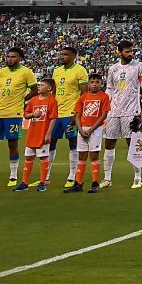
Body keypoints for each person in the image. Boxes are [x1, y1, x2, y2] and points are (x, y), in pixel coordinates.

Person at [103, 41, 142, 189]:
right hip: (113, 111)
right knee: (109, 143)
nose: (130, 54)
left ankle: (138, 177)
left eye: (131, 51)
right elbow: (110, 89)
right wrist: (105, 106)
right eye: (126, 52)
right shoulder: (113, 69)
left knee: (132, 144)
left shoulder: (139, 66)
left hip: (131, 110)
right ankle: (107, 178)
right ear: (119, 52)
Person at [0, 47, 36, 187]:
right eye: (8, 56)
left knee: (12, 143)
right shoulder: (1, 72)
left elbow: (35, 89)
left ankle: (13, 176)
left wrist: (23, 98)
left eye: (13, 57)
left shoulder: (26, 72)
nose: (9, 59)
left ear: (20, 58)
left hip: (14, 113)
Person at [50, 47, 89, 189]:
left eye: (66, 54)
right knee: (50, 142)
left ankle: (72, 176)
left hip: (70, 113)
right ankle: (45, 176)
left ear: (73, 56)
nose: (63, 57)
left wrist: (77, 113)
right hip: (56, 114)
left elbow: (84, 94)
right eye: (62, 54)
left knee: (73, 143)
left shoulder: (80, 70)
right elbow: (53, 92)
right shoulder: (57, 71)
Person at [15, 78, 59, 193]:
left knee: (43, 158)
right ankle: (24, 182)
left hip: (43, 133)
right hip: (32, 133)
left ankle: (43, 182)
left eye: (42, 85)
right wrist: (33, 114)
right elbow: (26, 114)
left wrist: (48, 134)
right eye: (39, 85)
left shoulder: (52, 101)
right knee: (28, 157)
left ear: (49, 88)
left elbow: (53, 119)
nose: (39, 87)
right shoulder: (33, 100)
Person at [68, 73, 110, 194]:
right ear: (88, 83)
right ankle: (78, 183)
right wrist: (80, 130)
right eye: (92, 82)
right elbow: (77, 114)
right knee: (81, 156)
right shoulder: (83, 97)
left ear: (101, 84)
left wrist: (91, 129)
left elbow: (103, 115)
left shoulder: (104, 97)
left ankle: (95, 183)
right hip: (82, 129)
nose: (94, 84)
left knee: (94, 156)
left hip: (95, 129)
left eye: (97, 82)